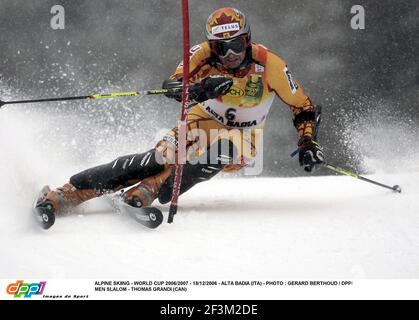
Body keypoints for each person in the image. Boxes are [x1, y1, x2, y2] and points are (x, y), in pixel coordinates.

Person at [34, 7, 325, 229]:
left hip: (243, 135)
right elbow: (170, 85)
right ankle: (65, 195)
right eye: (222, 47)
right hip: (200, 121)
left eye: (237, 45)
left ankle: (143, 193)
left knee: (217, 154)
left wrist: (307, 142)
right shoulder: (202, 55)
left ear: (247, 39)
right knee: (157, 160)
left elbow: (303, 106)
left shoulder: (269, 64)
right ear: (213, 45)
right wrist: (198, 89)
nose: (231, 54)